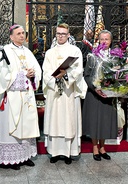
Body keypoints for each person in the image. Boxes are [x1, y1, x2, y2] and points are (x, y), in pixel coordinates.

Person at [0, 24, 42, 170]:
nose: (21, 36)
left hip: (27, 96)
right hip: (12, 96)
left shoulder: (28, 51)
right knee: (13, 125)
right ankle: (12, 160)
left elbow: (37, 70)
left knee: (26, 126)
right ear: (11, 36)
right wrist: (23, 74)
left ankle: (25, 156)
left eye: (22, 33)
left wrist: (33, 75)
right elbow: (2, 75)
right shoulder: (6, 51)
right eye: (18, 33)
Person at [42, 23, 87, 165]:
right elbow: (46, 71)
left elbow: (79, 70)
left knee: (68, 121)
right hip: (54, 93)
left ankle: (69, 153)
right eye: (58, 33)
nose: (60, 36)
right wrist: (55, 78)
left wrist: (66, 75)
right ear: (55, 34)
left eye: (63, 33)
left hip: (69, 92)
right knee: (54, 121)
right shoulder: (50, 52)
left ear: (68, 35)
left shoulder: (75, 51)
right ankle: (54, 152)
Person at [82, 29, 118, 161]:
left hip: (109, 95)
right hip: (94, 93)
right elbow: (86, 76)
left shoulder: (116, 57)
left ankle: (103, 147)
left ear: (110, 41)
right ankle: (95, 147)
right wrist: (95, 88)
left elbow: (120, 75)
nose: (104, 41)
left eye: (106, 39)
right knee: (94, 121)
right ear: (98, 40)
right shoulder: (92, 56)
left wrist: (116, 86)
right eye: (102, 39)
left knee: (104, 121)